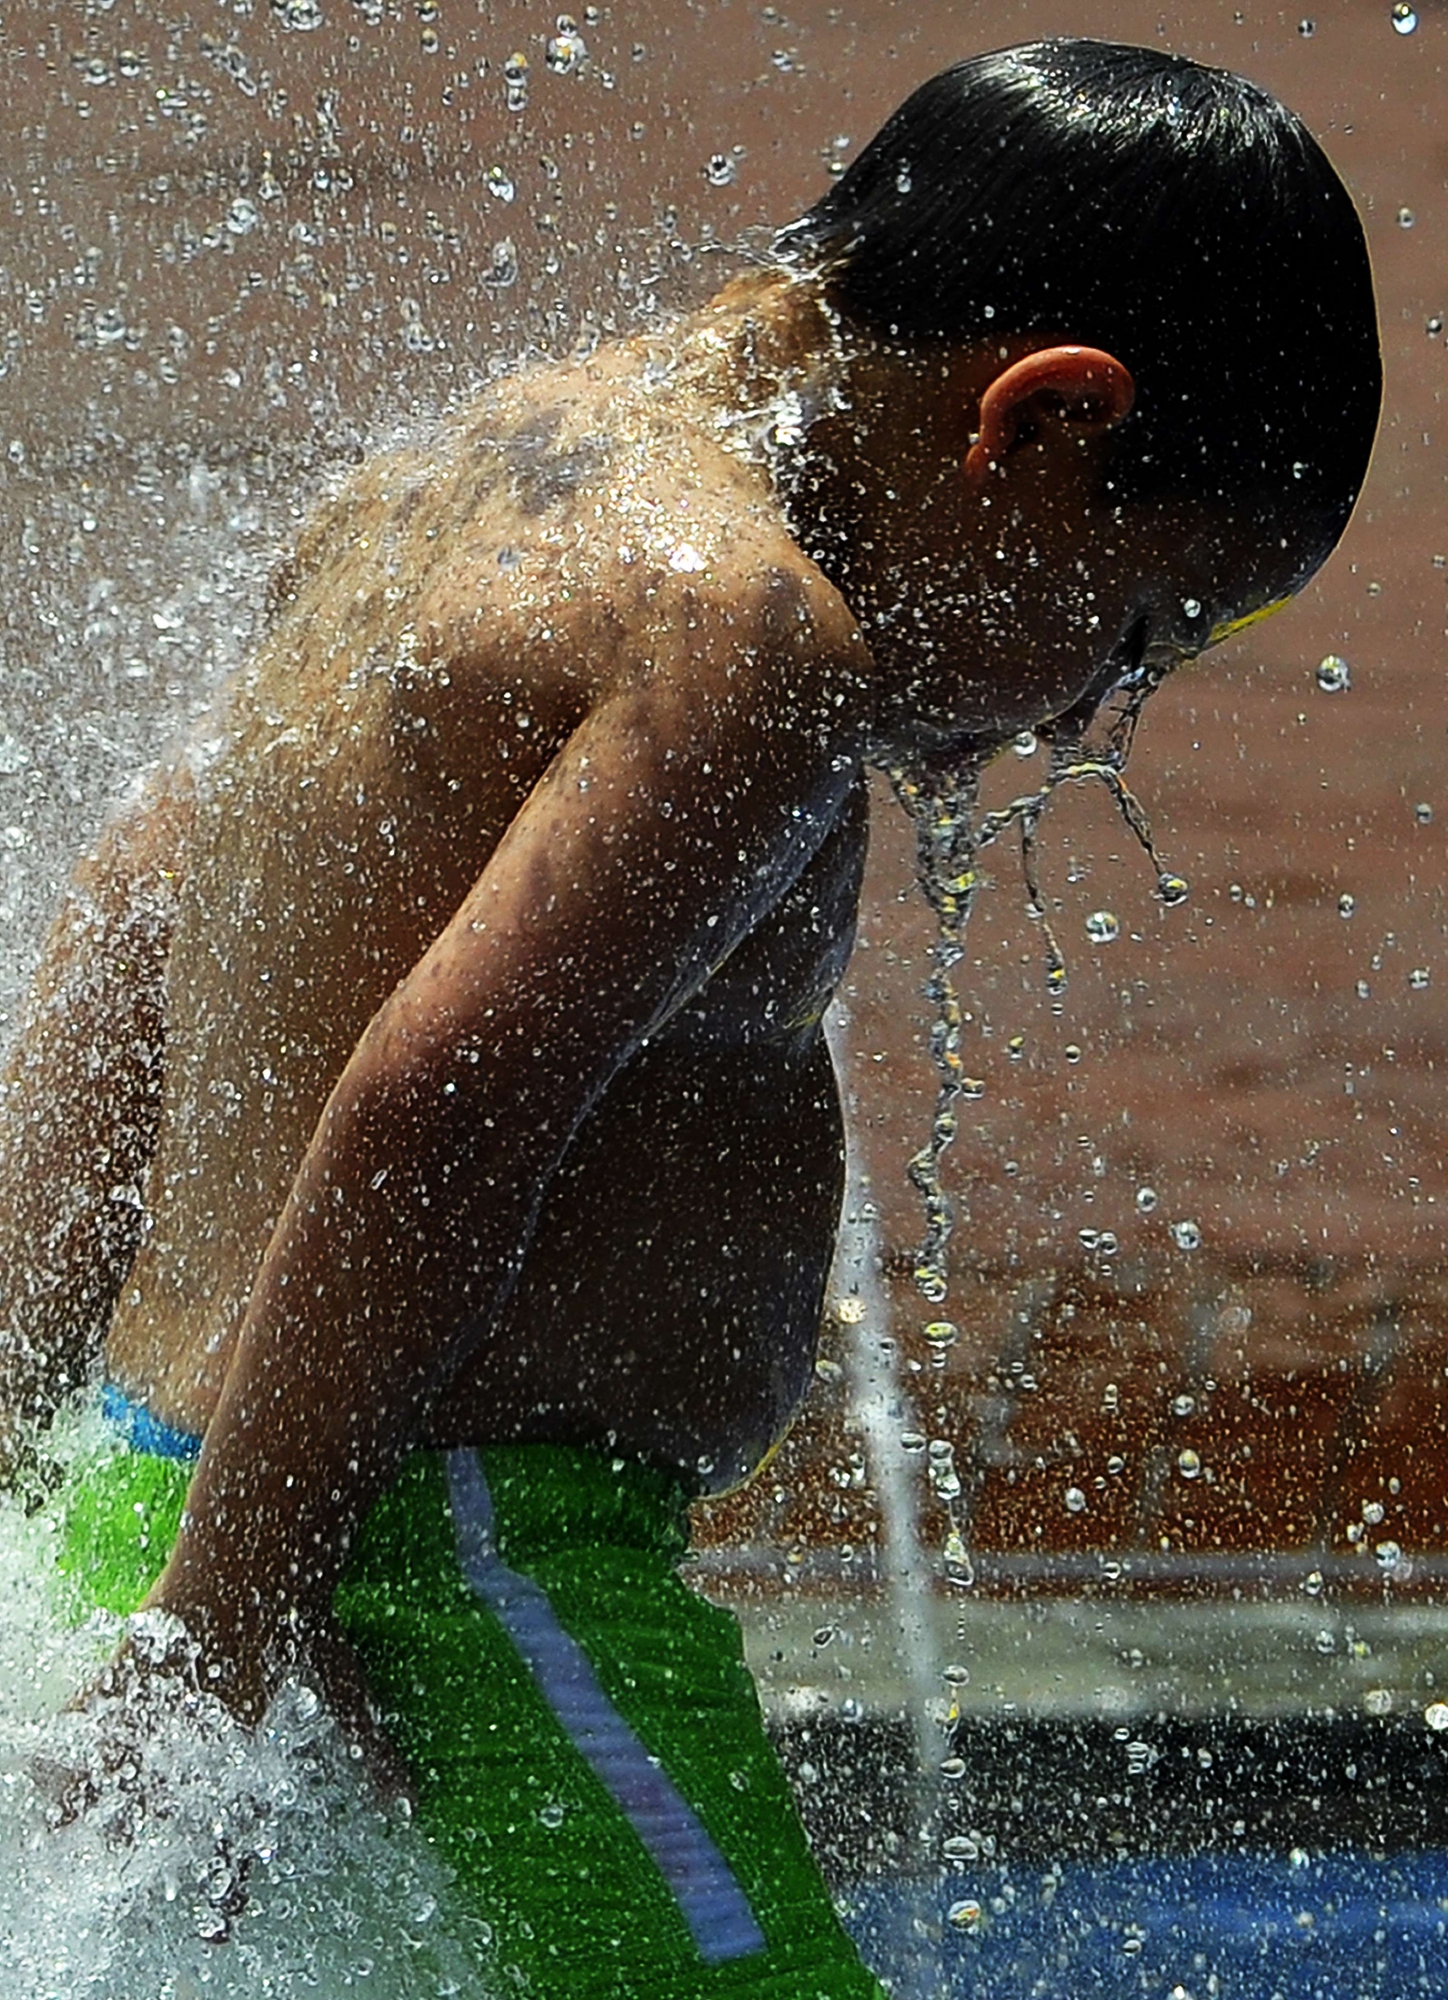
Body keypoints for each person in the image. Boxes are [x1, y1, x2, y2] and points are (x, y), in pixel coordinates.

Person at [0, 37, 1379, 1999]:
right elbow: (432, 1117)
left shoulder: (461, 469)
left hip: (201, 1487)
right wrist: (223, 1645)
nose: (1086, 714)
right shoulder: (742, 631)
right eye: (1146, 626)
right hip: (439, 1561)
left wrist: (53, 1459)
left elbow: (143, 904)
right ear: (1043, 421)